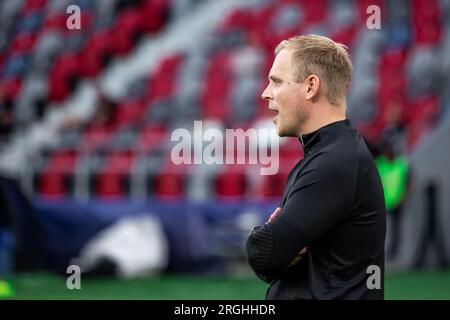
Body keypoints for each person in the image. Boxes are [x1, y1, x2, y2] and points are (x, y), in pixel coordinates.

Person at [245, 35, 386, 300]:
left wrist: (268, 240)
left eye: (276, 82)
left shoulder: (334, 162)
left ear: (311, 86)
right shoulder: (329, 154)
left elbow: (263, 253)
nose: (265, 93)